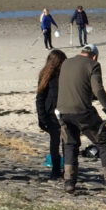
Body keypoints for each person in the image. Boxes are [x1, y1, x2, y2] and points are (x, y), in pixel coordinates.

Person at [56, 43, 106, 193]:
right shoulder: (94, 65)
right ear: (95, 55)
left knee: (70, 144)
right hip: (82, 112)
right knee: (104, 141)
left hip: (62, 111)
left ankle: (69, 181)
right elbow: (97, 89)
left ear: (81, 52)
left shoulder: (66, 63)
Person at [36, 49, 67, 180]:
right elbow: (40, 98)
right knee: (55, 143)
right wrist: (42, 118)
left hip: (65, 113)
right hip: (51, 115)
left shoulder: (65, 75)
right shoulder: (45, 75)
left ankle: (67, 170)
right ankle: (55, 170)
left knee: (67, 142)